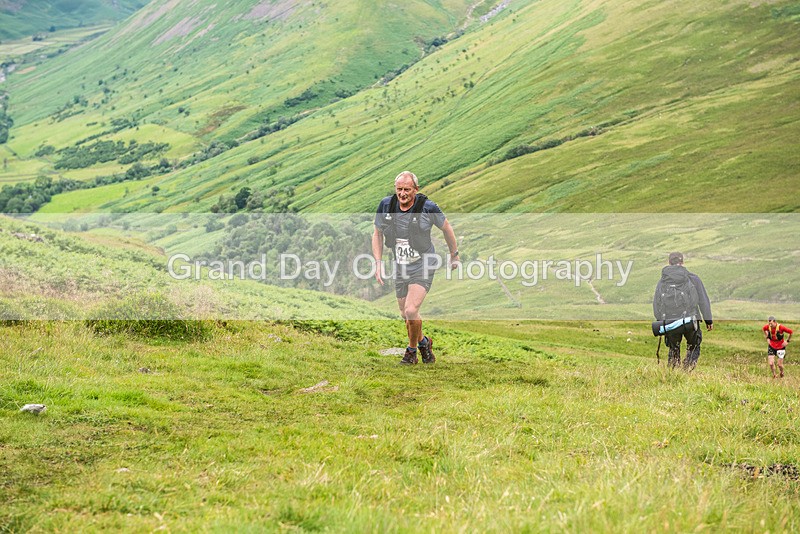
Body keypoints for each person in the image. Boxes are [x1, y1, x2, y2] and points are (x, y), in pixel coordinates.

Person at [372, 171, 460, 365]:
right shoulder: (386, 205)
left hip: (424, 263)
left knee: (412, 311)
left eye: (407, 190)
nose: (402, 194)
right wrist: (377, 263)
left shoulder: (428, 208)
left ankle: (411, 352)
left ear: (416, 189)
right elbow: (377, 233)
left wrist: (454, 255)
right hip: (401, 266)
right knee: (405, 315)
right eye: (399, 189)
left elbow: (447, 228)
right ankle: (423, 343)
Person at [653, 252, 713, 371]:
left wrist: (660, 322)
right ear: (682, 262)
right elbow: (703, 300)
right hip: (691, 318)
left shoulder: (663, 281)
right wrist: (708, 320)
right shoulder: (692, 278)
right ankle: (687, 371)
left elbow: (656, 302)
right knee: (694, 346)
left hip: (670, 320)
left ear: (669, 262)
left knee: (673, 348)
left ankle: (674, 373)